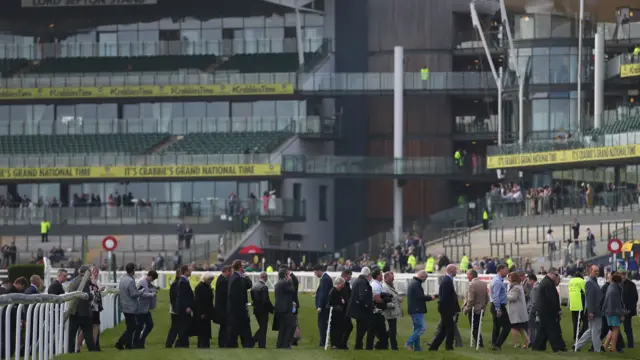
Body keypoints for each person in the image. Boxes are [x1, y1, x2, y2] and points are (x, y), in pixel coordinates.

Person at [532, 268, 567, 352]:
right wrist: (557, 310)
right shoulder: (548, 284)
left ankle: (538, 347)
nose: (556, 277)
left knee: (543, 330)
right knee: (552, 330)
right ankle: (557, 347)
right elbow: (552, 299)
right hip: (548, 311)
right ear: (551, 274)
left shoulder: (546, 282)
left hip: (544, 310)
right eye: (556, 275)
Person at [428, 264, 460, 351]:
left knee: (444, 328)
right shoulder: (447, 281)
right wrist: (451, 310)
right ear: (451, 270)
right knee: (449, 328)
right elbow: (445, 298)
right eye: (455, 270)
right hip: (446, 309)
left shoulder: (447, 280)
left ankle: (433, 347)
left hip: (445, 308)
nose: (457, 271)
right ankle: (448, 347)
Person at [116, 263, 147, 350]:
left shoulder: (122, 279)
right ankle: (120, 342)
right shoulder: (130, 280)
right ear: (133, 270)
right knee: (132, 327)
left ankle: (128, 345)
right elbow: (133, 294)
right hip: (130, 307)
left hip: (124, 305)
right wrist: (141, 291)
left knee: (130, 326)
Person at [68, 265, 98, 353]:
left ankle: (70, 350)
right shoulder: (85, 281)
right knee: (88, 331)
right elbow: (87, 296)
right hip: (83, 311)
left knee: (72, 334)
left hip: (74, 310)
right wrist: (92, 295)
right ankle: (92, 349)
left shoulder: (73, 280)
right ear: (86, 272)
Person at [574, 265, 603, 352]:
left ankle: (577, 346)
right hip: (594, 310)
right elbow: (589, 298)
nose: (597, 273)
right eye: (595, 271)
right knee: (596, 330)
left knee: (591, 330)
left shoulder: (594, 281)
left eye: (598, 271)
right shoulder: (590, 282)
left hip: (596, 309)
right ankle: (597, 349)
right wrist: (590, 312)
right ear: (590, 271)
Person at [406, 270, 436, 351]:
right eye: (425, 279)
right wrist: (430, 298)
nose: (425, 280)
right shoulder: (416, 284)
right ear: (422, 277)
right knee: (421, 328)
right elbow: (420, 296)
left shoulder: (414, 283)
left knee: (417, 329)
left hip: (414, 309)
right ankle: (409, 342)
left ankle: (417, 348)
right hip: (417, 309)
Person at [226, 260, 253, 348]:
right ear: (240, 267)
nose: (244, 268)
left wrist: (246, 276)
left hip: (237, 309)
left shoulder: (236, 277)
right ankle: (244, 344)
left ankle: (246, 343)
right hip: (238, 309)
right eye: (243, 266)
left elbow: (249, 285)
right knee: (238, 328)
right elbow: (235, 295)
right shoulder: (236, 279)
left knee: (240, 328)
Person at [347, 267, 372, 350]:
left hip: (356, 309)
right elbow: (362, 296)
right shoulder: (362, 282)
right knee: (362, 328)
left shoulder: (357, 281)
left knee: (360, 328)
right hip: (361, 310)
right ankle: (358, 345)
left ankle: (358, 345)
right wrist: (368, 305)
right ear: (367, 274)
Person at [462, 269, 488, 348]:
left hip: (474, 309)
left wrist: (466, 309)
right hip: (482, 309)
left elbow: (471, 300)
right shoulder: (483, 283)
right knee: (478, 326)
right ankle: (479, 342)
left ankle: (479, 343)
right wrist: (484, 306)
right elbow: (486, 298)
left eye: (467, 275)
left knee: (474, 327)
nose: (467, 277)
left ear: (471, 276)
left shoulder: (471, 285)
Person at [602, 272, 626, 353]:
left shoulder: (610, 287)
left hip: (608, 311)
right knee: (616, 329)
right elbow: (618, 304)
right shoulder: (615, 290)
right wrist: (622, 314)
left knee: (612, 329)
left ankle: (605, 345)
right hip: (614, 312)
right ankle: (613, 348)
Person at [134, 270, 158, 349]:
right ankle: (137, 343)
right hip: (140, 309)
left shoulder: (147, 282)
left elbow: (150, 287)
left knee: (150, 325)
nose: (152, 280)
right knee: (140, 327)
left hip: (145, 309)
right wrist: (151, 294)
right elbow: (139, 294)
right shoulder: (141, 282)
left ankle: (140, 341)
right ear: (150, 276)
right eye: (153, 279)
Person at [274, 267, 296, 349]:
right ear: (285, 275)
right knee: (290, 326)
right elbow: (292, 290)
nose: (289, 275)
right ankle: (286, 344)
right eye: (288, 274)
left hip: (280, 308)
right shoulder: (284, 283)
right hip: (285, 308)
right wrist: (291, 281)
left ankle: (280, 344)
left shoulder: (278, 283)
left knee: (283, 328)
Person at [490, 264, 511, 350]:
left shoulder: (497, 280)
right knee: (507, 326)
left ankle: (494, 343)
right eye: (506, 270)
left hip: (496, 306)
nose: (507, 272)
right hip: (499, 306)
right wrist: (498, 309)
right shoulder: (498, 282)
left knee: (497, 326)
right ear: (501, 270)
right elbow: (496, 296)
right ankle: (497, 344)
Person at [506, 272, 530, 348]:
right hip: (518, 310)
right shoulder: (518, 286)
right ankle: (528, 341)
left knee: (514, 327)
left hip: (516, 311)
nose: (508, 279)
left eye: (509, 277)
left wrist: (504, 295)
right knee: (520, 327)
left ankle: (517, 343)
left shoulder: (515, 287)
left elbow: (513, 298)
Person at [250, 272, 273, 348]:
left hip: (256, 309)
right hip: (263, 310)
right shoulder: (264, 287)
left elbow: (253, 298)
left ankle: (261, 344)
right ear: (266, 278)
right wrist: (271, 309)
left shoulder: (254, 286)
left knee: (262, 327)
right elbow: (265, 300)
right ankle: (254, 341)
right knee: (263, 328)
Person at [367, 268, 388, 350]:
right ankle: (373, 346)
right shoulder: (375, 285)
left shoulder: (377, 284)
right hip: (376, 312)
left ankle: (380, 345)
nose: (382, 276)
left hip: (377, 312)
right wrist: (385, 301)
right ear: (378, 275)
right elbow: (376, 298)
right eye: (381, 274)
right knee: (373, 330)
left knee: (377, 331)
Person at [194, 272, 215, 348]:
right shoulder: (200, 287)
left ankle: (205, 344)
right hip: (202, 311)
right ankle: (202, 344)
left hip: (207, 311)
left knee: (206, 328)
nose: (210, 281)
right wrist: (202, 312)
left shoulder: (206, 286)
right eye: (209, 280)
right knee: (203, 329)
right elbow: (198, 301)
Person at [175, 264, 194, 348]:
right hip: (184, 308)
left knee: (186, 325)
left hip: (184, 307)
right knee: (184, 326)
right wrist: (187, 307)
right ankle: (180, 343)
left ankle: (184, 343)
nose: (191, 271)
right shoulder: (183, 281)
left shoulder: (184, 280)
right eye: (189, 270)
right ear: (185, 271)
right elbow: (182, 296)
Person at [381, 271, 401, 350]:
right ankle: (393, 346)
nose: (393, 279)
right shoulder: (384, 287)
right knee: (393, 329)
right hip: (390, 310)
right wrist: (391, 304)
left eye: (393, 278)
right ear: (386, 278)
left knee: (392, 329)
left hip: (393, 310)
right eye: (391, 278)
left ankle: (384, 342)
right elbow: (384, 299)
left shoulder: (390, 285)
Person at [314, 264, 332, 347]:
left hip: (324, 307)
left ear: (319, 271)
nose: (315, 274)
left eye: (315, 272)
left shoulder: (325, 279)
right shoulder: (325, 278)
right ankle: (323, 341)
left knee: (321, 324)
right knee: (322, 324)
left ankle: (323, 341)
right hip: (325, 306)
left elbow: (323, 294)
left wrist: (320, 306)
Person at [328, 277, 348, 349]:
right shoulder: (333, 291)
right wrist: (341, 302)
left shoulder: (339, 291)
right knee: (335, 329)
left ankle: (338, 343)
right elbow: (332, 303)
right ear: (338, 284)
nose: (343, 286)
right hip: (335, 314)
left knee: (340, 329)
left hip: (340, 313)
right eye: (342, 284)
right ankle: (334, 344)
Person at [620, 270, 638, 348]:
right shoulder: (617, 284)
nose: (622, 276)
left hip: (627, 310)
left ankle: (630, 344)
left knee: (627, 328)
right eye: (621, 274)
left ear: (626, 274)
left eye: (624, 274)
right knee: (613, 327)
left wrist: (629, 310)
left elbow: (635, 298)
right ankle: (619, 343)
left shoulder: (631, 285)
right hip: (618, 309)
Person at [214, 265, 231, 348]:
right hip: (222, 308)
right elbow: (223, 296)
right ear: (226, 271)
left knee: (223, 326)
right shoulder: (223, 281)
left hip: (221, 307)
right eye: (230, 271)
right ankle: (222, 343)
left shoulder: (221, 279)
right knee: (224, 326)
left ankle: (223, 343)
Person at [568, 271, 587, 342]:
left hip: (573, 304)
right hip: (580, 304)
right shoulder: (581, 281)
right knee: (585, 322)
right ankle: (580, 336)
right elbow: (586, 291)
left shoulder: (571, 281)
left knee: (575, 322)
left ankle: (575, 336)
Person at [165, 270, 181, 348]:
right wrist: (176, 308)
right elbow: (173, 298)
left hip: (175, 308)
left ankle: (171, 343)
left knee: (176, 326)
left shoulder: (176, 283)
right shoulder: (176, 284)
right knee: (175, 326)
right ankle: (169, 343)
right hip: (175, 308)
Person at [340, 270, 353, 349]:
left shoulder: (346, 284)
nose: (349, 278)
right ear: (344, 276)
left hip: (346, 309)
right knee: (348, 327)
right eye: (348, 277)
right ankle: (342, 343)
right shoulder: (343, 285)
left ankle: (342, 343)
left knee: (347, 327)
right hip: (343, 310)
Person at [526, 273, 539, 345]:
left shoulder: (535, 288)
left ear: (532, 280)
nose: (528, 283)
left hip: (533, 310)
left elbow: (534, 301)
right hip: (536, 310)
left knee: (531, 327)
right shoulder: (538, 286)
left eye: (528, 281)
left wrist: (531, 311)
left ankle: (532, 341)